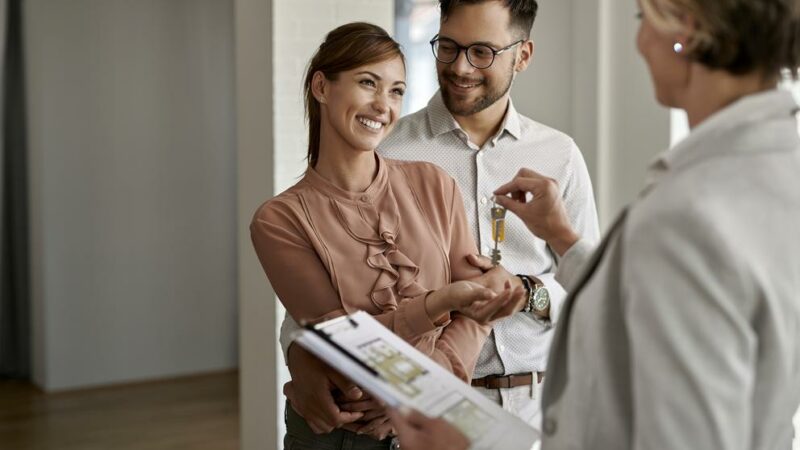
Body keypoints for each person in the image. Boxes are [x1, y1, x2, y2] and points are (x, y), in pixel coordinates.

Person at [390, 0, 800, 448]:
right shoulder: (776, 172)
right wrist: (564, 239)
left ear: (686, 30)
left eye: (643, 19)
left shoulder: (689, 209)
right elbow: (635, 305)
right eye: (450, 47)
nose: (640, 43)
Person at [279, 0, 601, 439]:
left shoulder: (560, 155)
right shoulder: (385, 150)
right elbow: (321, 296)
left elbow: (589, 287)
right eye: (448, 47)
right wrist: (301, 356)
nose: (461, 67)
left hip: (538, 408)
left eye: (482, 52)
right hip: (413, 415)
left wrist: (527, 293)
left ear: (522, 55)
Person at [250, 22, 526, 450]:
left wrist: (421, 389)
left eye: (396, 91)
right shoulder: (279, 221)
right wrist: (440, 304)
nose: (383, 105)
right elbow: (344, 355)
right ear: (321, 86)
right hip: (341, 441)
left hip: (435, 424)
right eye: (367, 83)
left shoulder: (434, 184)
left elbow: (477, 311)